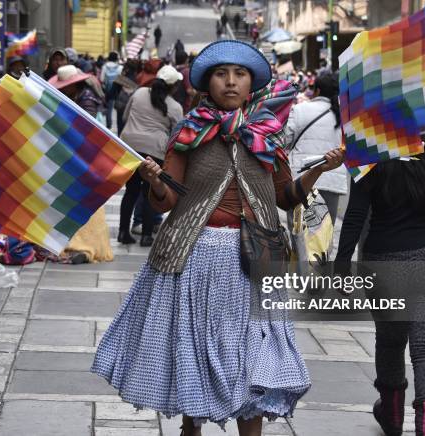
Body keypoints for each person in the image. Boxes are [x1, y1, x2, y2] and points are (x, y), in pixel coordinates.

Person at [92, 39, 344, 435]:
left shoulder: (267, 135)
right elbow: (167, 202)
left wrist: (316, 171)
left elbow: (286, 197)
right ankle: (190, 428)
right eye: (221, 75)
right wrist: (155, 182)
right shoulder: (189, 133)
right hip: (193, 258)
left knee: (252, 357)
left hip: (255, 262)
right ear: (207, 83)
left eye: (239, 75)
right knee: (194, 351)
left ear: (251, 83)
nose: (230, 82)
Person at [335, 130, 425, 436]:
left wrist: (341, 266)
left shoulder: (371, 146)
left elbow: (356, 213)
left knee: (389, 340)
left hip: (384, 258)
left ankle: (392, 414)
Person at [48, 65, 114, 263]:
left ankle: (84, 245)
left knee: (82, 200)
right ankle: (76, 243)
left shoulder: (86, 101)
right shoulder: (79, 97)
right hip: (77, 157)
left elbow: (85, 131)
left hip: (85, 158)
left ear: (72, 85)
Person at [117, 65, 184, 247]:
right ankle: (147, 235)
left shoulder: (139, 93)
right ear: (174, 87)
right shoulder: (175, 107)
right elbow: (177, 135)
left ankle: (123, 232)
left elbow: (124, 116)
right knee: (149, 193)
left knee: (130, 191)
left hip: (130, 146)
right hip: (155, 151)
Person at [284, 73, 347, 224]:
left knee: (299, 233)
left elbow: (284, 141)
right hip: (331, 181)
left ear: (317, 90)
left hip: (301, 180)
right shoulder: (344, 115)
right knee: (324, 237)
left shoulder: (299, 110)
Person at [107, 59, 139, 136]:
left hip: (121, 107)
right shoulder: (138, 79)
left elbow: (111, 93)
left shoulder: (120, 79)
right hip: (133, 107)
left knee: (121, 128)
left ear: (126, 68)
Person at [100, 52, 123, 129]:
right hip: (118, 91)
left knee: (109, 109)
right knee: (119, 110)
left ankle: (108, 126)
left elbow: (101, 79)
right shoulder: (120, 68)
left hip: (108, 91)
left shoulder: (104, 66)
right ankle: (118, 127)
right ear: (116, 58)